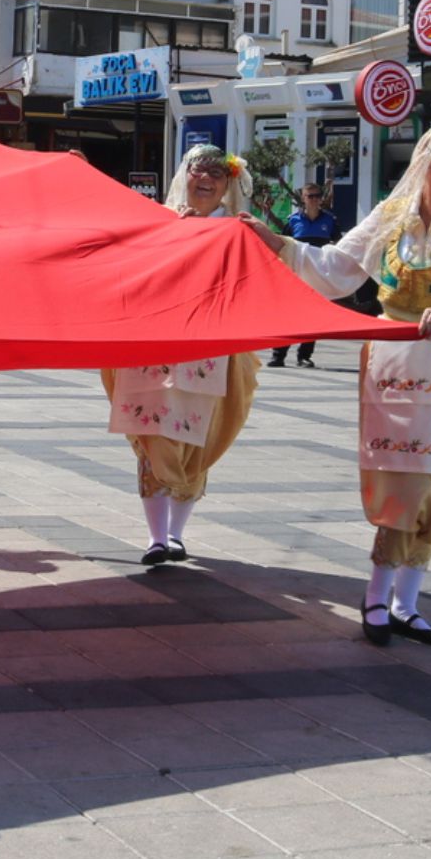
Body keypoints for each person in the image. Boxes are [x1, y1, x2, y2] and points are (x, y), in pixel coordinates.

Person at [251, 125, 431, 645]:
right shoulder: (392, 217)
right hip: (392, 362)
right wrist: (278, 243)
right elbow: (340, 266)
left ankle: (405, 604)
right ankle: (376, 597)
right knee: (401, 479)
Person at [104, 144, 262, 567]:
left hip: (212, 348)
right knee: (154, 434)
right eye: (198, 171)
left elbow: (254, 283)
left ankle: (175, 533)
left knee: (197, 437)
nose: (206, 180)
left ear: (228, 182)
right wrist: (169, 237)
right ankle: (157, 537)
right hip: (157, 344)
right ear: (184, 175)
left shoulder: (239, 229)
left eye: (216, 173)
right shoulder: (156, 220)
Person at [270, 183, 337, 368]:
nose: (314, 199)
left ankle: (304, 356)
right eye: (310, 196)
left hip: (317, 276)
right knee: (287, 315)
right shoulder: (293, 221)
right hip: (295, 274)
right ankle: (278, 355)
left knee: (313, 317)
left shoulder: (330, 221)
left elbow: (338, 247)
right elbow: (282, 245)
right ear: (303, 198)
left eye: (317, 195)